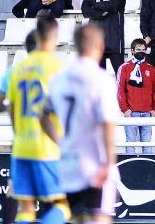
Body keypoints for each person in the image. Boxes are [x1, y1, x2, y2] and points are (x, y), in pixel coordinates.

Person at [40, 23, 120, 224]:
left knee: (75, 219)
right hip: (95, 164)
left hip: (68, 164)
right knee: (99, 219)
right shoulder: (101, 79)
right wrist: (108, 163)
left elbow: (41, 114)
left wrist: (60, 142)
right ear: (100, 44)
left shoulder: (60, 79)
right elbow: (107, 124)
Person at [6, 16, 67, 224]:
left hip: (21, 146)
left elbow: (11, 108)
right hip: (46, 147)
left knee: (27, 207)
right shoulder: (55, 67)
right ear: (53, 36)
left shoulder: (18, 69)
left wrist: (19, 135)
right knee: (63, 206)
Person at [116, 38, 155, 155]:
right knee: (130, 144)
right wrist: (125, 109)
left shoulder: (151, 68)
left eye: (143, 50)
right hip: (131, 113)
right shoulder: (124, 67)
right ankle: (130, 171)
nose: (141, 52)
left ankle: (149, 172)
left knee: (147, 145)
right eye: (138, 49)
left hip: (147, 113)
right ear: (132, 51)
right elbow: (120, 90)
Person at [80, 0, 126, 71]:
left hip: (114, 39)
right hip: (97, 42)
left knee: (120, 75)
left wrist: (95, 6)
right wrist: (101, 13)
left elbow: (114, 6)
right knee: (99, 77)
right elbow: (85, 10)